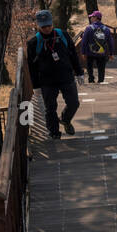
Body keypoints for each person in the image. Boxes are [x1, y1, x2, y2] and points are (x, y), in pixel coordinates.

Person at [26, 10, 83, 139]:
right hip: (47, 81)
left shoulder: (62, 35)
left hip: (66, 76)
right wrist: (36, 86)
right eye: (43, 26)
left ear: (52, 23)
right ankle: (54, 133)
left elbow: (73, 54)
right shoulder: (33, 43)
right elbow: (32, 66)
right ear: (38, 26)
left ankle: (65, 119)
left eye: (49, 25)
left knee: (74, 103)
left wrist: (79, 73)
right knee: (50, 108)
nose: (47, 28)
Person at [78, 10, 116, 83]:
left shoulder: (89, 28)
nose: (91, 18)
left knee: (89, 66)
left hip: (90, 52)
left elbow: (84, 42)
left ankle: (91, 79)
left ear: (96, 18)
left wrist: (83, 52)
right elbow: (110, 42)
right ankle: (101, 80)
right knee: (101, 67)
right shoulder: (106, 29)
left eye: (92, 17)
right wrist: (111, 53)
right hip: (101, 53)